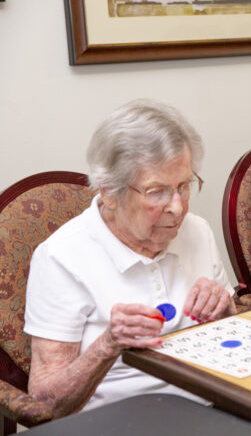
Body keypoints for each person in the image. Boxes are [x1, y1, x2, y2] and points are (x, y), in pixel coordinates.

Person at [24, 99, 237, 416]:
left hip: (210, 403)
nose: (177, 207)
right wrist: (108, 344)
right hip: (116, 418)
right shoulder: (61, 258)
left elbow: (234, 338)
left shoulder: (198, 231)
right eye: (157, 191)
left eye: (184, 186)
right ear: (109, 191)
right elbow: (45, 403)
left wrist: (224, 309)